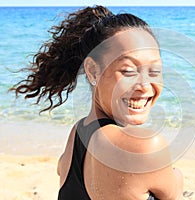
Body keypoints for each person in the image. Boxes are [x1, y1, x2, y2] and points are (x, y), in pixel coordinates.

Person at [11, 5, 184, 200]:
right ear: (93, 71)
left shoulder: (78, 133)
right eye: (128, 71)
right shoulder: (144, 147)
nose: (145, 86)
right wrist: (176, 176)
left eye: (154, 72)